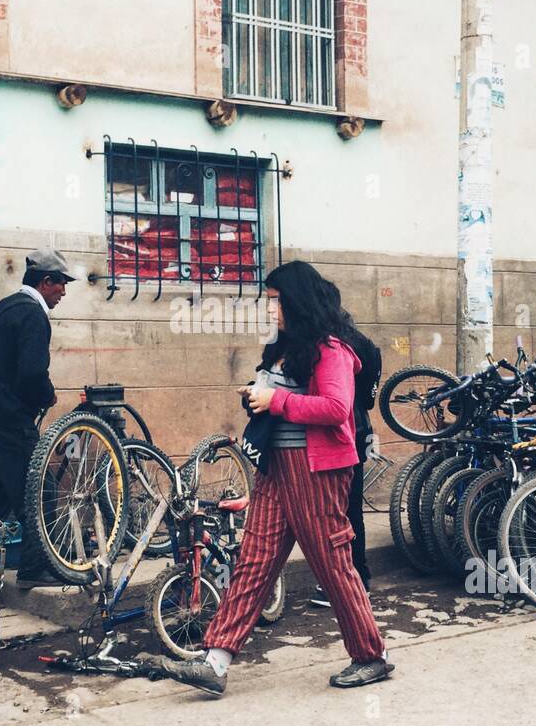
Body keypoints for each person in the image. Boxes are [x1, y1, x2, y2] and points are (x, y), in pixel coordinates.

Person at [158, 261, 393, 695]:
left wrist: (277, 400)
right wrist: (257, 398)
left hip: (318, 470)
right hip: (277, 467)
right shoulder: (284, 348)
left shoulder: (332, 349)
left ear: (295, 301)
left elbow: (336, 409)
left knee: (333, 565)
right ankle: (216, 661)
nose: (268, 309)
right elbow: (285, 398)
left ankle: (371, 656)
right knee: (254, 560)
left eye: (274, 301)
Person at [0, 247, 74, 588]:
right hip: (7, 420)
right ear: (45, 281)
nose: (63, 293)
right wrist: (47, 393)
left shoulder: (5, 307)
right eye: (61, 285)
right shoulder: (32, 314)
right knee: (40, 490)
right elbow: (30, 373)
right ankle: (33, 570)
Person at [310, 289, 380, 606]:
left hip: (342, 433)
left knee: (343, 511)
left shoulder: (329, 344)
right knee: (349, 509)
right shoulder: (360, 341)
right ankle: (355, 578)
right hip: (360, 427)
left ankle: (355, 580)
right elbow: (368, 397)